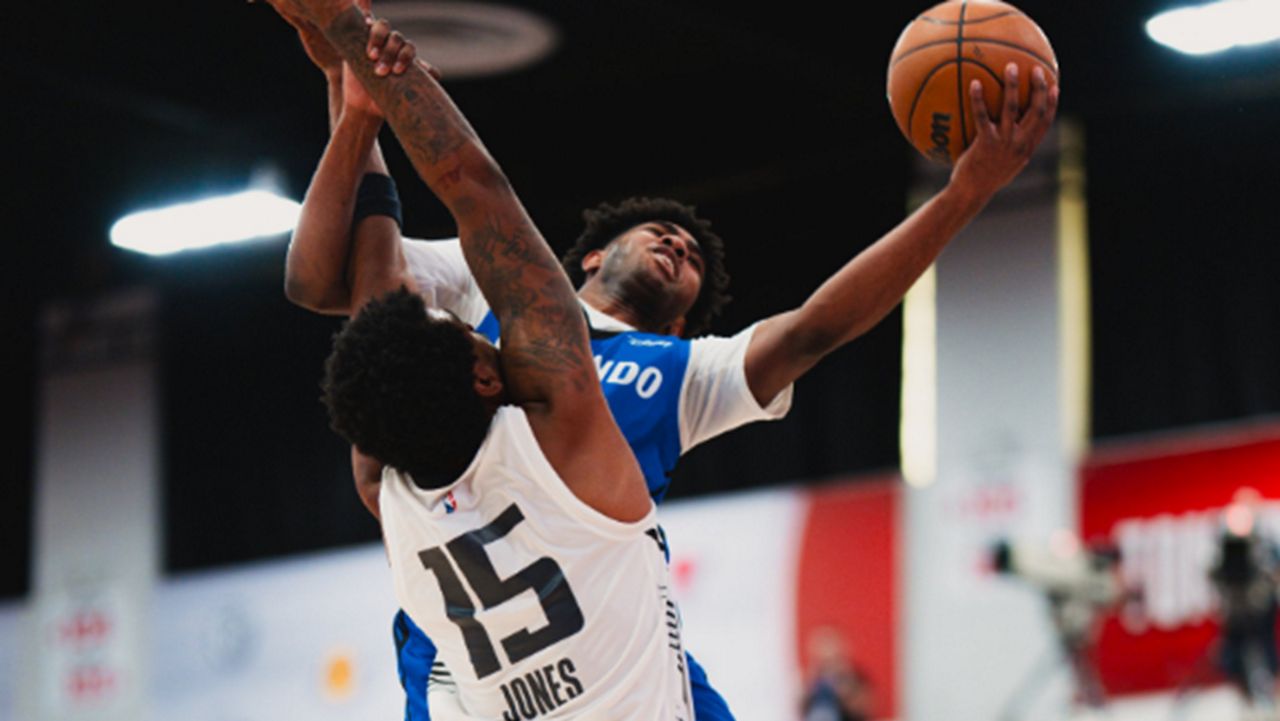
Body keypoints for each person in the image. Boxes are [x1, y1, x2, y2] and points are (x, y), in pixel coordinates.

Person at [268, 2, 1059, 718]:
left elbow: (372, 281)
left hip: (533, 610)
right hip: (528, 620)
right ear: (582, 258)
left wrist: (351, 85)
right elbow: (365, 256)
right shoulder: (521, 325)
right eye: (654, 232)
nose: (677, 240)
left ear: (680, 330)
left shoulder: (400, 473)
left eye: (692, 262)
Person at [278, 0, 696, 716]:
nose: (476, 327)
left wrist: (354, 108)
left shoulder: (388, 493)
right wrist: (353, 37)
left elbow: (368, 292)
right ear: (484, 373)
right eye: (464, 330)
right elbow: (475, 190)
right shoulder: (565, 418)